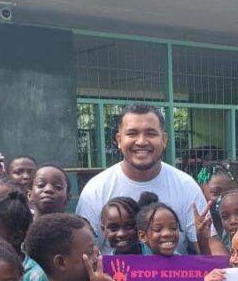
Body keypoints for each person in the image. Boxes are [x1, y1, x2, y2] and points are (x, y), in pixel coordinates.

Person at [76, 104, 219, 254]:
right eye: (132, 133)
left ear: (164, 139)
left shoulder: (186, 185)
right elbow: (83, 252)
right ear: (119, 140)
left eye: (151, 134)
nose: (141, 141)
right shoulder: (96, 190)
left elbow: (211, 245)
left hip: (174, 270)